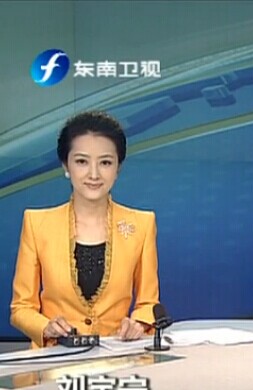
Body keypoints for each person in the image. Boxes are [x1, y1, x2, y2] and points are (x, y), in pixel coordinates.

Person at [10, 111, 159, 348]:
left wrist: (139, 323)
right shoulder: (37, 224)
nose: (93, 174)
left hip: (115, 358)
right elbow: (21, 308)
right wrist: (45, 327)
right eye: (82, 161)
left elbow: (149, 303)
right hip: (55, 360)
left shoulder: (142, 224)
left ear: (118, 168)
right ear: (65, 165)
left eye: (105, 162)